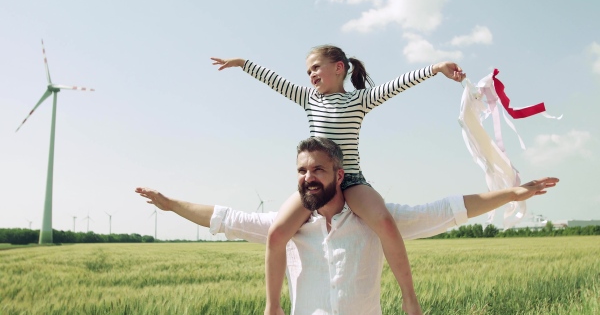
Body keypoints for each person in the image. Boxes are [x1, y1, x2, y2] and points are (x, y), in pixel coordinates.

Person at [136, 136, 559, 315]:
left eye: (317, 169)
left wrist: (511, 194)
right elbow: (225, 219)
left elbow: (446, 209)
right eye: (301, 170)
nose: (307, 177)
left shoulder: (374, 221)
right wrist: (171, 205)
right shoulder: (285, 228)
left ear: (340, 176)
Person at [210, 46, 466, 314]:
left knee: (386, 224)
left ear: (339, 68)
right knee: (276, 234)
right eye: (308, 71)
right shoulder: (309, 98)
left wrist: (435, 69)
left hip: (352, 180)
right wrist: (243, 63)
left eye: (316, 67)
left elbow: (396, 85)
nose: (311, 74)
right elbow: (275, 81)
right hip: (318, 182)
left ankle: (410, 299)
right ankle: (273, 306)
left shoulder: (359, 100)